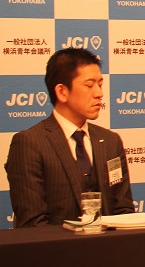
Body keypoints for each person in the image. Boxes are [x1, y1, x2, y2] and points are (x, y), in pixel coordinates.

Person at [4, 48, 134, 227]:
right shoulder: (30, 143)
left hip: (109, 244)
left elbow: (124, 212)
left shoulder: (111, 141)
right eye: (89, 85)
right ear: (62, 92)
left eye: (100, 84)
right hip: (54, 245)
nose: (99, 93)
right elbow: (33, 225)